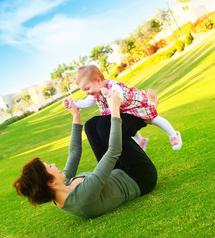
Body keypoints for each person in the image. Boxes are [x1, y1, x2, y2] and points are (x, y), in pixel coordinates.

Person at [13, 90, 157, 219]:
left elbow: (74, 153)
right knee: (105, 127)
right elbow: (114, 151)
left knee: (91, 125)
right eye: (49, 166)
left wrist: (76, 115)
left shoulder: (61, 191)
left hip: (118, 173)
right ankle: (147, 114)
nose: (54, 165)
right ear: (50, 182)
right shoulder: (83, 197)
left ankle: (143, 115)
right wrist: (114, 109)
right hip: (140, 178)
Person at [65, 65, 182, 151]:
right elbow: (86, 103)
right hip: (124, 112)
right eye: (84, 90)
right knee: (122, 123)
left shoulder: (113, 86)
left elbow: (119, 98)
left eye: (87, 88)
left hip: (135, 105)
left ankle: (173, 134)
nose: (86, 93)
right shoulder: (95, 93)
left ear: (98, 80)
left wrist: (108, 94)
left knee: (153, 118)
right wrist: (73, 104)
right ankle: (140, 141)